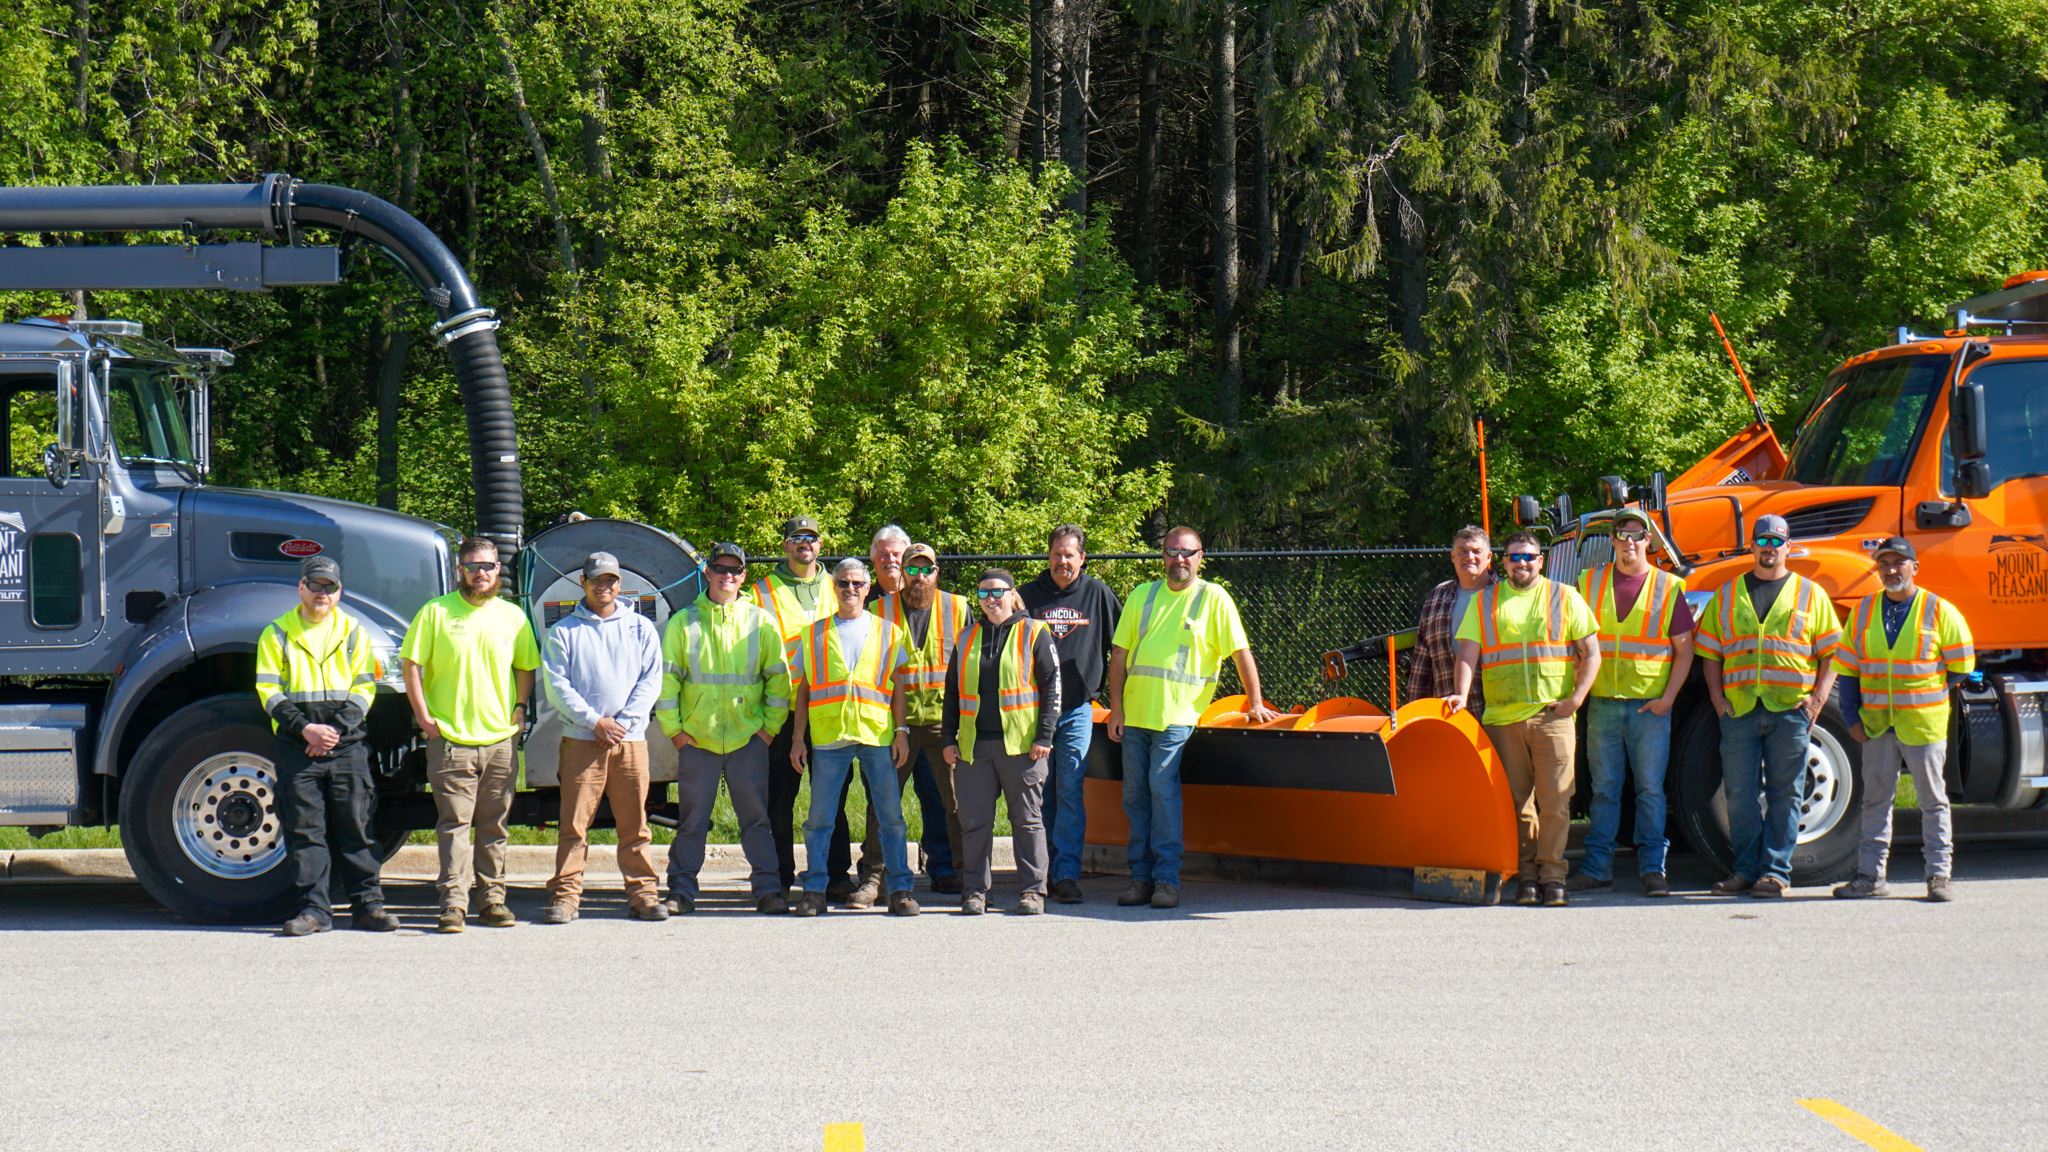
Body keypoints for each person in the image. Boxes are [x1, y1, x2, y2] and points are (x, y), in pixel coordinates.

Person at [1106, 526, 1277, 910]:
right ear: (1162, 556)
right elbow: (1119, 655)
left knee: (1161, 793)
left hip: (1178, 717)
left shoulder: (1214, 598)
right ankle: (1140, 879)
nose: (1178, 559)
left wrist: (1255, 701)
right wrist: (1116, 708)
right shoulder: (1142, 595)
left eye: (1187, 552)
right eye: (1171, 551)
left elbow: (1240, 652)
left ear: (1201, 556)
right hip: (1135, 717)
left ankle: (1166, 881)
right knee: (1135, 797)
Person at [1445, 530, 1601, 907]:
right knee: (1518, 805)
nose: (1523, 563)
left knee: (1556, 802)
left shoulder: (1565, 596)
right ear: (1505, 562)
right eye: (1515, 557)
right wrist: (1461, 696)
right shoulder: (1485, 602)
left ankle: (1553, 877)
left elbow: (1592, 653)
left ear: (1541, 561)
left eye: (1530, 557)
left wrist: (1576, 700)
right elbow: (1468, 653)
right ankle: (1527, 877)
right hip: (1502, 719)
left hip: (1553, 717)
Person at [1694, 513, 1841, 898]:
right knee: (1739, 796)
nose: (1769, 548)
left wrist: (1818, 700)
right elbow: (1709, 650)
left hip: (1791, 711)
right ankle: (1744, 870)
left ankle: (1775, 873)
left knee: (1786, 793)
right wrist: (1716, 697)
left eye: (1777, 542)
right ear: (1753, 546)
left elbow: (1832, 654)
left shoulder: (1811, 595)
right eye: (1763, 541)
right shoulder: (1728, 594)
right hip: (1740, 710)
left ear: (1788, 547)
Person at [401, 536, 541, 933]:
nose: (481, 573)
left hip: (499, 739)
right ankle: (453, 905)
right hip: (451, 740)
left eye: (489, 566)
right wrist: (424, 716)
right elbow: (411, 663)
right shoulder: (436, 613)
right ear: (460, 570)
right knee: (454, 825)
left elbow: (525, 666)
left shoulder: (512, 617)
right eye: (474, 566)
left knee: (495, 824)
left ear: (499, 570)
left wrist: (518, 708)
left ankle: (493, 899)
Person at [255, 556, 399, 936]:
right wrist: (305, 730)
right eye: (315, 585)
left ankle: (368, 908)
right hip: (296, 745)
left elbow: (365, 687)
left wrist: (332, 731)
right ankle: (314, 912)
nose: (322, 593)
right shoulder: (276, 633)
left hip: (346, 745)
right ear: (300, 588)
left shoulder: (353, 631)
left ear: (340, 592)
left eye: (330, 587)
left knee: (358, 827)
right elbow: (267, 691)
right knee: (305, 831)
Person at [1829, 537, 1974, 902]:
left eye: (1899, 563)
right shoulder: (1863, 611)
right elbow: (1848, 669)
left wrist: (1920, 695)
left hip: (1922, 725)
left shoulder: (1939, 610)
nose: (1891, 570)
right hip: (1877, 724)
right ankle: (1870, 877)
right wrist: (1852, 717)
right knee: (1875, 801)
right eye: (1884, 565)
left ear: (1915, 567)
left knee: (1932, 801)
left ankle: (1938, 877)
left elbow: (1960, 668)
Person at [656, 543, 794, 914]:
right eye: (720, 568)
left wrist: (768, 730)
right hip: (697, 741)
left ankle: (767, 890)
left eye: (734, 570)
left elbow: (778, 681)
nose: (727, 576)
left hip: (747, 740)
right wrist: (676, 732)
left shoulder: (760, 621)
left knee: (756, 822)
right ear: (708, 572)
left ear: (744, 575)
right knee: (692, 822)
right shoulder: (684, 622)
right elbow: (667, 682)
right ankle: (681, 892)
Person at [1567, 509, 1695, 898]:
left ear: (1648, 541)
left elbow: (1684, 650)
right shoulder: (1587, 582)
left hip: (1649, 709)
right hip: (1603, 704)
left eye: (1636, 534)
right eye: (1621, 534)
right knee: (1604, 791)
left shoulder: (1669, 587)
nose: (1628, 542)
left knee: (1650, 791)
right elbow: (1572, 640)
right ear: (1612, 540)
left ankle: (1653, 870)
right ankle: (1597, 868)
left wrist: (1668, 700)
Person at [539, 552, 667, 925]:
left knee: (635, 825)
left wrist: (622, 723)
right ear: (583, 582)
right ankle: (565, 897)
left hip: (630, 741)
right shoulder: (564, 632)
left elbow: (650, 680)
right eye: (596, 579)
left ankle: (643, 894)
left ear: (620, 584)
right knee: (574, 825)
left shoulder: (641, 628)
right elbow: (557, 686)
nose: (604, 586)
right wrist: (595, 722)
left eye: (610, 579)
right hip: (581, 741)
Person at [787, 558, 918, 917]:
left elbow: (899, 686)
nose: (850, 590)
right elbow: (803, 688)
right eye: (843, 583)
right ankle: (814, 889)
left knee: (890, 816)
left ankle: (901, 889)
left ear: (867, 587)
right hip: (829, 735)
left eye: (857, 584)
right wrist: (798, 738)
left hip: (876, 733)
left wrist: (902, 731)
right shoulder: (813, 634)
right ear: (834, 587)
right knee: (820, 818)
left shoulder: (889, 632)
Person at [856, 541, 969, 906]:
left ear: (937, 572)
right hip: (893, 722)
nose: (919, 575)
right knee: (882, 803)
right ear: (901, 572)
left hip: (943, 723)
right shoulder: (878, 609)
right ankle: (874, 877)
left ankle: (964, 874)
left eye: (927, 569)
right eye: (913, 568)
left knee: (956, 802)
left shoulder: (959, 606)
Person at [943, 569, 1059, 915]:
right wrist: (949, 739)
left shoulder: (1035, 632)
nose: (990, 600)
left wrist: (1045, 736)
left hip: (1023, 747)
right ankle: (976, 892)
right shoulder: (967, 637)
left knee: (1026, 821)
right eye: (983, 594)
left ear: (1012, 595)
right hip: (975, 747)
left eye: (997, 592)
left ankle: (1033, 892)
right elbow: (952, 692)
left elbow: (1053, 686)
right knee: (974, 822)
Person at [752, 515, 853, 899]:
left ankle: (836, 875)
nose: (803, 543)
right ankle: (779, 876)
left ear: (820, 545)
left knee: (833, 799)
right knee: (779, 799)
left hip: (829, 711)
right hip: (782, 710)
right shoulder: (761, 592)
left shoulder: (838, 585)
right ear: (785, 546)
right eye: (796, 538)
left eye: (810, 537)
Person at [1021, 523, 1121, 904]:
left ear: (1082, 557)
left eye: (1069, 554)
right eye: (1056, 554)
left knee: (1070, 790)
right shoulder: (1027, 597)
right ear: (1048, 556)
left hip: (1079, 709)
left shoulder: (1098, 595)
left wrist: (1117, 705)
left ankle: (1065, 874)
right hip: (1033, 711)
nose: (1062, 561)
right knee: (1038, 791)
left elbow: (1121, 651)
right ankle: (1038, 871)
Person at [1407, 525, 1494, 712]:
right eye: (1462, 551)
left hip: (1497, 714)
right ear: (1453, 557)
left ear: (1489, 557)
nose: (1469, 557)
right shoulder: (1437, 597)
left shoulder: (1504, 596)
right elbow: (1423, 660)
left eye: (1476, 551)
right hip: (1448, 710)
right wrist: (1415, 710)